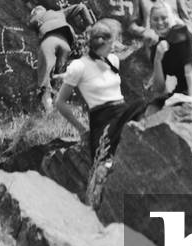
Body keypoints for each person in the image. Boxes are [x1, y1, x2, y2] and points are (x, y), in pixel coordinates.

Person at [54, 19, 147, 160]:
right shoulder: (79, 66)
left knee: (143, 104)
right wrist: (81, 129)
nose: (115, 46)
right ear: (102, 42)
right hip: (102, 119)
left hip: (121, 112)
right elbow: (60, 102)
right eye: (113, 42)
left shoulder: (113, 60)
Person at [28, 4, 81, 112]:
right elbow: (80, 7)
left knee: (44, 81)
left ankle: (49, 112)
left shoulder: (37, 17)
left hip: (49, 43)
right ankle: (63, 106)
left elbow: (31, 23)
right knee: (58, 77)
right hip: (66, 45)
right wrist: (90, 25)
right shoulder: (59, 13)